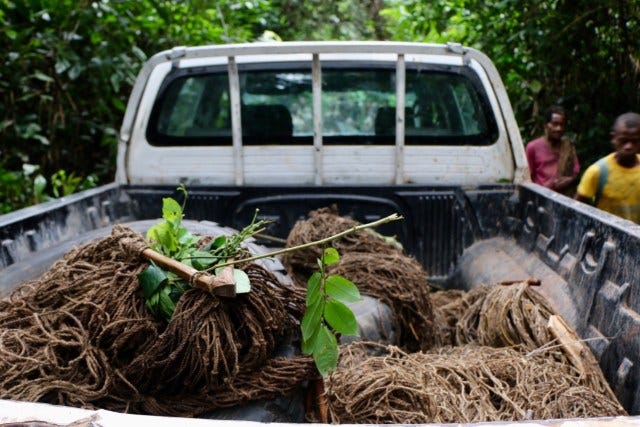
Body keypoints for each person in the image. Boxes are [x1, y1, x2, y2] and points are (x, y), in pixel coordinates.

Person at [575, 112, 640, 223]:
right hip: (606, 232)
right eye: (623, 141)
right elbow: (576, 210)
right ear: (613, 138)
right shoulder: (598, 171)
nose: (629, 146)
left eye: (634, 141)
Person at [525, 105, 581, 196]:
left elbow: (576, 172)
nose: (559, 128)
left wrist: (569, 180)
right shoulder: (532, 147)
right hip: (541, 197)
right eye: (555, 124)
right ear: (546, 125)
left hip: (564, 197)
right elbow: (528, 177)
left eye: (562, 125)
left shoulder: (568, 147)